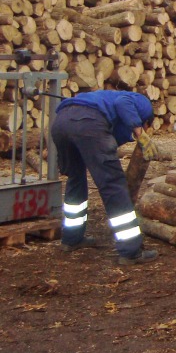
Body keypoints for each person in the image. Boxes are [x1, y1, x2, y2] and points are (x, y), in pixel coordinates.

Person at [51, 89, 160, 265]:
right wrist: (140, 133)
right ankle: (130, 250)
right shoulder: (143, 104)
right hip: (88, 122)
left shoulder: (102, 99)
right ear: (147, 121)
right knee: (113, 185)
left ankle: (71, 239)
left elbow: (107, 140)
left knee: (75, 179)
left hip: (61, 122)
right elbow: (123, 103)